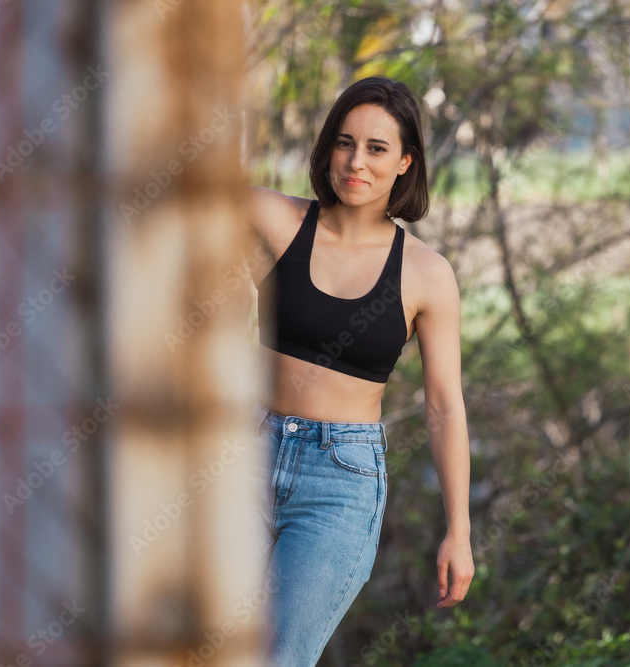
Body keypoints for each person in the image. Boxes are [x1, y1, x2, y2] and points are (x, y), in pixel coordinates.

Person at [244, 75, 474, 665]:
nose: (356, 162)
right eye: (344, 143)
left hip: (339, 482)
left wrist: (460, 531)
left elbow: (444, 407)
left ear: (405, 162)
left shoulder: (426, 274)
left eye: (377, 148)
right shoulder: (278, 222)